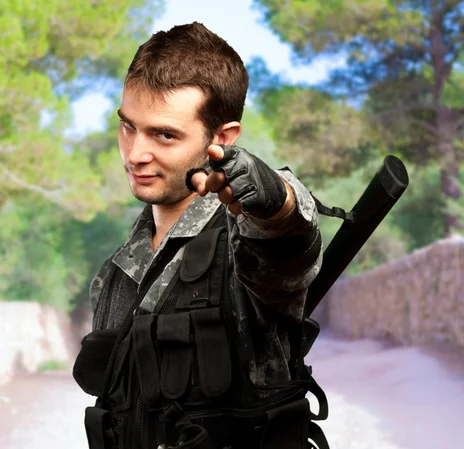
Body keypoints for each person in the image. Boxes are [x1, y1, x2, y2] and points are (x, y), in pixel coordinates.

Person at [72, 22, 330, 449]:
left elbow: (289, 235)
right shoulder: (116, 272)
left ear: (222, 138)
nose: (135, 153)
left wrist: (274, 197)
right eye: (128, 126)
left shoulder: (243, 242)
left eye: (164, 134)